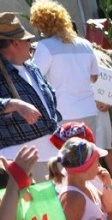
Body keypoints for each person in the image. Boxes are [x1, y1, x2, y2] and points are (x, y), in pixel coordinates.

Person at [0, 13, 62, 182]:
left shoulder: (30, 67)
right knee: (44, 208)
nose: (30, 44)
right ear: (15, 43)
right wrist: (13, 104)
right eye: (27, 40)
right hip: (23, 160)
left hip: (52, 153)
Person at [29, 0, 100, 133]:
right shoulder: (85, 44)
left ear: (42, 25)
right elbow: (94, 77)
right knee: (89, 152)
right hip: (88, 110)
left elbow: (34, 79)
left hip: (63, 113)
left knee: (64, 153)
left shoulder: (45, 46)